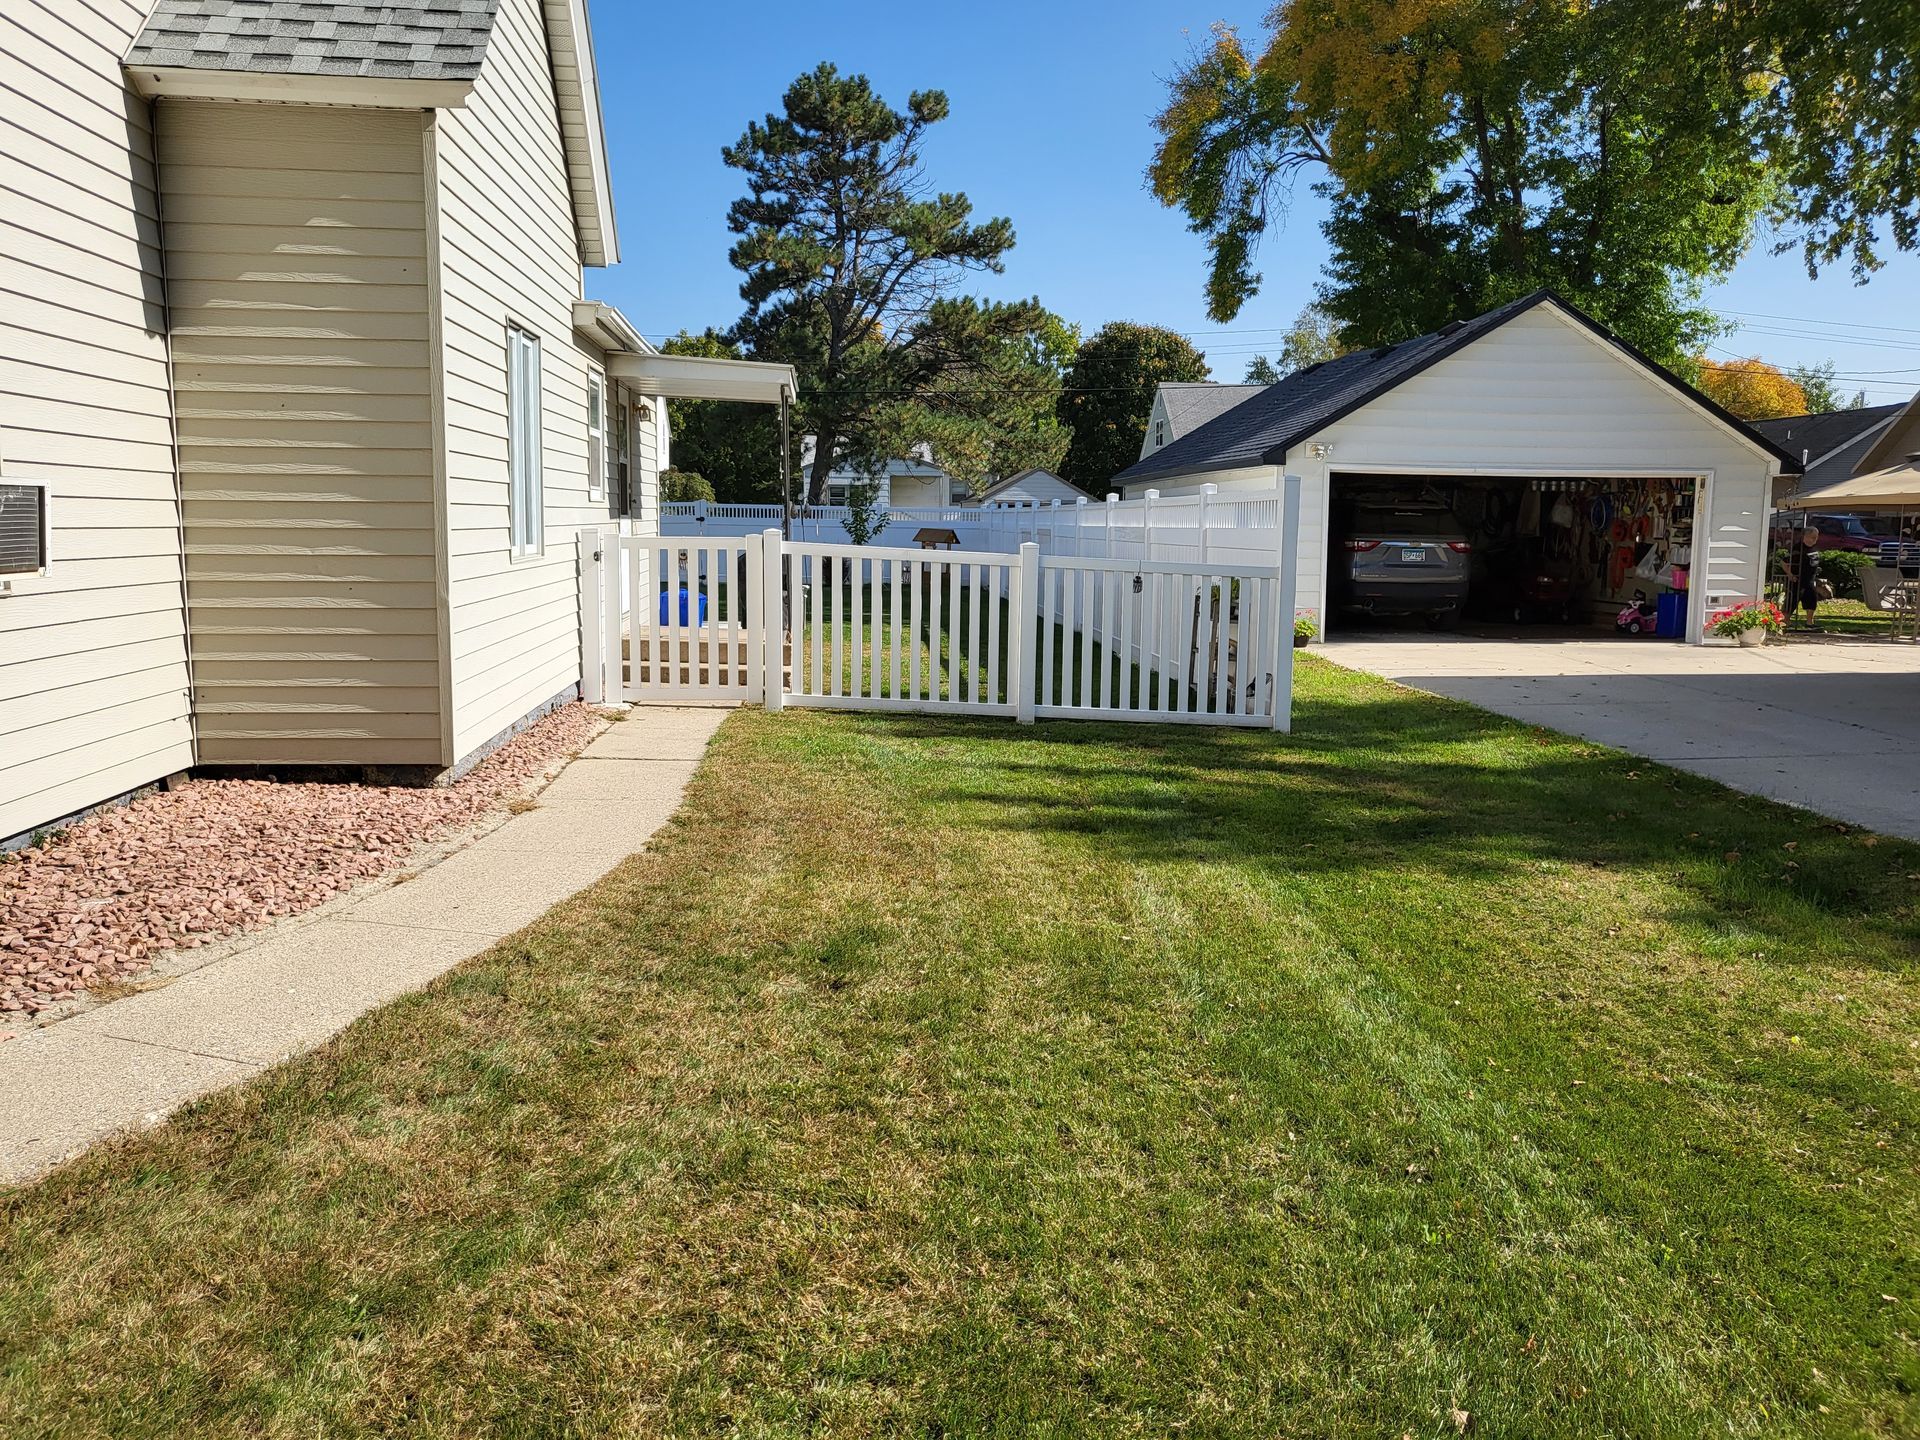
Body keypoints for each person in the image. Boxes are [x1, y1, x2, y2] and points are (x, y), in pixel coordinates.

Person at [1784, 525, 1822, 627]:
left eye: (1816, 537)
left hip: (1810, 580)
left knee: (1812, 600)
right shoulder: (1797, 548)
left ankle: (1809, 622)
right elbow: (1784, 562)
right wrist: (1790, 574)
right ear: (1805, 536)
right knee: (1792, 601)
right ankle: (1785, 621)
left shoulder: (1814, 548)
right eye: (1812, 537)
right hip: (1796, 580)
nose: (1815, 539)